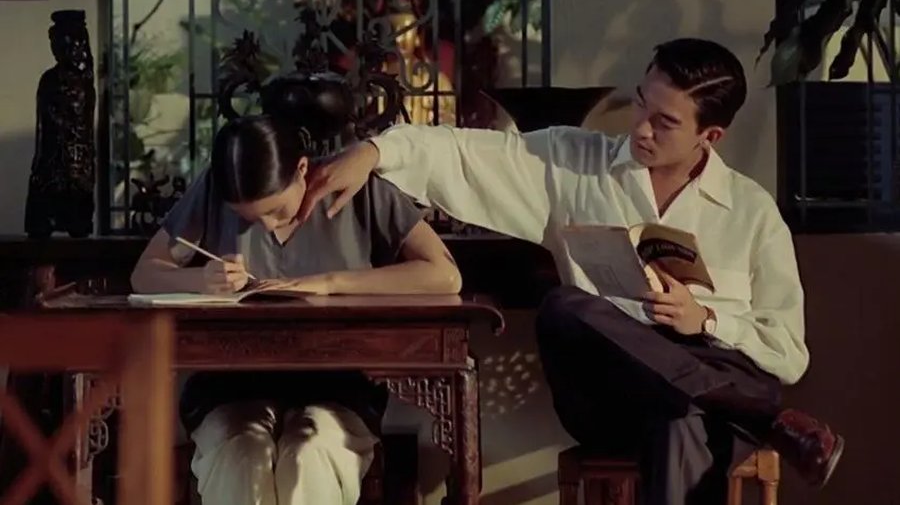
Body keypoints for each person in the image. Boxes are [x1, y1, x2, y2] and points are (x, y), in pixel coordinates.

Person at [296, 38, 844, 504]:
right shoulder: (574, 162)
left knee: (679, 420)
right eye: (641, 104)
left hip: (709, 384)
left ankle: (728, 403)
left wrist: (705, 321)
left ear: (711, 136)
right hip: (611, 397)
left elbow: (787, 352)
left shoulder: (752, 212)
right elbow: (464, 154)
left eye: (665, 123)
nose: (641, 129)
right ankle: (763, 418)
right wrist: (374, 150)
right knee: (565, 306)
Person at [130, 115, 461, 505]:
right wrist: (199, 279)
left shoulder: (355, 187)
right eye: (248, 219)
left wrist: (330, 283)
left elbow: (444, 275)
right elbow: (144, 274)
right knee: (241, 454)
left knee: (310, 454)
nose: (265, 226)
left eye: (276, 211)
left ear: (302, 169)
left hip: (340, 385)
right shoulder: (213, 190)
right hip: (229, 385)